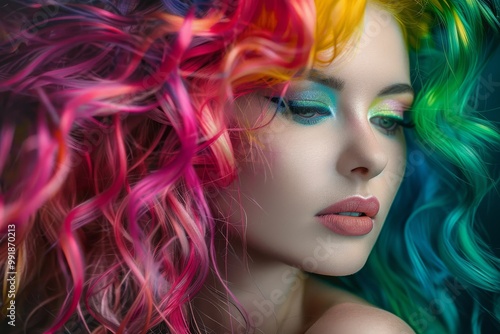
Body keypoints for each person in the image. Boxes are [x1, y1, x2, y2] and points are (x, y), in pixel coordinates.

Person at [0, 0, 499, 333]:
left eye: (391, 119)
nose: (371, 158)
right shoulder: (36, 282)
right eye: (307, 107)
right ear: (181, 115)